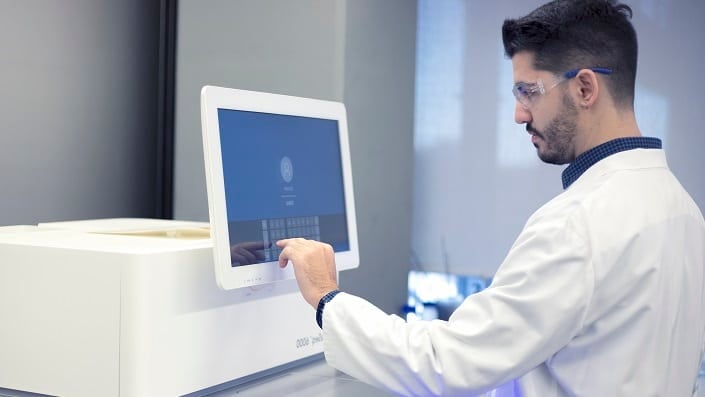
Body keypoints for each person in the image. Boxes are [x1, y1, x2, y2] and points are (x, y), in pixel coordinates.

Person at [276, 0, 705, 395]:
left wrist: (326, 297)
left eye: (528, 92)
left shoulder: (578, 224)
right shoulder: (682, 208)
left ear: (585, 89)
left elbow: (447, 364)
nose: (519, 114)